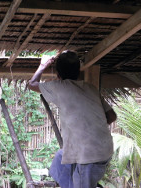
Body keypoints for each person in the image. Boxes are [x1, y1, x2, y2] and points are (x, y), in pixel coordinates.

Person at [27, 51, 116, 188]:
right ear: (78, 71)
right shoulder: (90, 88)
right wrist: (92, 126)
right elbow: (112, 116)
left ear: (58, 75)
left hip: (89, 155)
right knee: (60, 158)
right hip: (104, 148)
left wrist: (43, 65)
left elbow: (32, 84)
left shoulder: (58, 87)